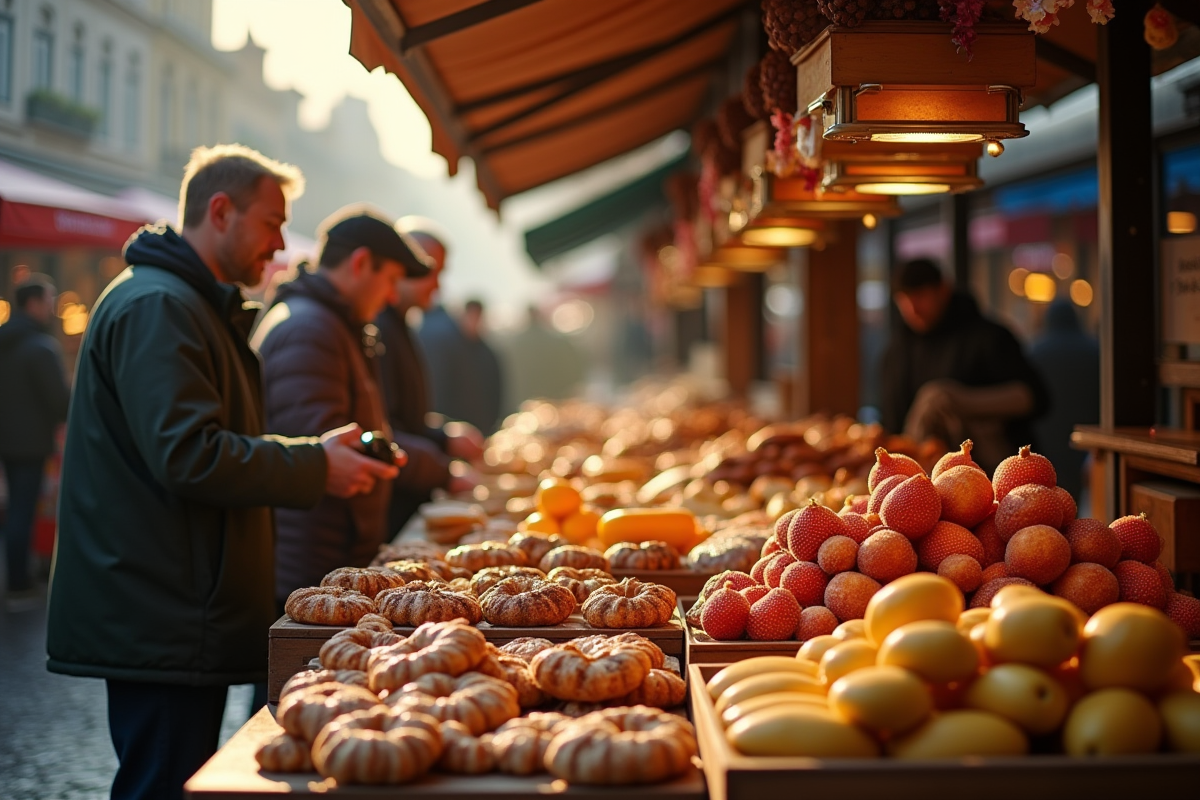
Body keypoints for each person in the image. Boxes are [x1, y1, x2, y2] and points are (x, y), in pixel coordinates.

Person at [45, 144, 400, 800]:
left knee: (173, 777)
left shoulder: (188, 301)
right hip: (163, 607)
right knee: (161, 782)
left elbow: (212, 441)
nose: (280, 242)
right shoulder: (160, 306)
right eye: (271, 222)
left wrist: (311, 450)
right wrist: (313, 462)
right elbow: (190, 454)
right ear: (220, 211)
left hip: (177, 604)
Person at [253, 207, 430, 605]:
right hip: (313, 557)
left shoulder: (330, 323)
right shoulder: (310, 328)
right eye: (390, 281)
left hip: (327, 551)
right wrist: (411, 460)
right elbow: (320, 449)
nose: (389, 297)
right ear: (361, 263)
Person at [878, 258, 1048, 473]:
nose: (913, 308)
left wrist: (957, 402)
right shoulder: (897, 352)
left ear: (943, 290)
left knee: (936, 395)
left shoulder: (989, 337)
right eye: (904, 300)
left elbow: (1034, 398)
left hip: (994, 473)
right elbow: (892, 424)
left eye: (920, 296)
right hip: (925, 479)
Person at [375, 216, 482, 534]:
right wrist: (443, 471)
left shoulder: (400, 324)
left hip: (404, 493)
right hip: (390, 504)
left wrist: (444, 437)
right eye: (429, 271)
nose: (437, 285)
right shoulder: (380, 327)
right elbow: (384, 429)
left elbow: (407, 419)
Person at [0, 274, 69, 603]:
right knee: (23, 512)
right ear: (33, 303)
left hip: (7, 438)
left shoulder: (6, 340)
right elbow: (60, 402)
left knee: (14, 508)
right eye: (49, 300)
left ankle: (17, 577)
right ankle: (18, 583)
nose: (53, 308)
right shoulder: (41, 347)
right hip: (30, 442)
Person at [1029, 298, 1100, 500]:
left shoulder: (1035, 351)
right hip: (1083, 434)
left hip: (1047, 435)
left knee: (1050, 493)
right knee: (1080, 495)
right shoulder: (1095, 351)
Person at [417, 298, 505, 435]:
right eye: (471, 316)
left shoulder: (487, 353)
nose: (474, 322)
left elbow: (496, 389)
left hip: (481, 425)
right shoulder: (449, 347)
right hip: (453, 426)